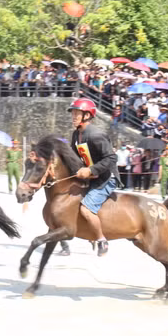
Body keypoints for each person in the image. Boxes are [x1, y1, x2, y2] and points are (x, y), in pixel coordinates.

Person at [67, 98, 118, 257]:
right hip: (92, 177)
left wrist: (90, 170)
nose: (74, 116)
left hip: (106, 177)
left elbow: (111, 158)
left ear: (87, 115)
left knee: (86, 209)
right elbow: (73, 158)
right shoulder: (76, 135)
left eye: (77, 113)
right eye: (73, 113)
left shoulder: (96, 135)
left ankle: (101, 240)